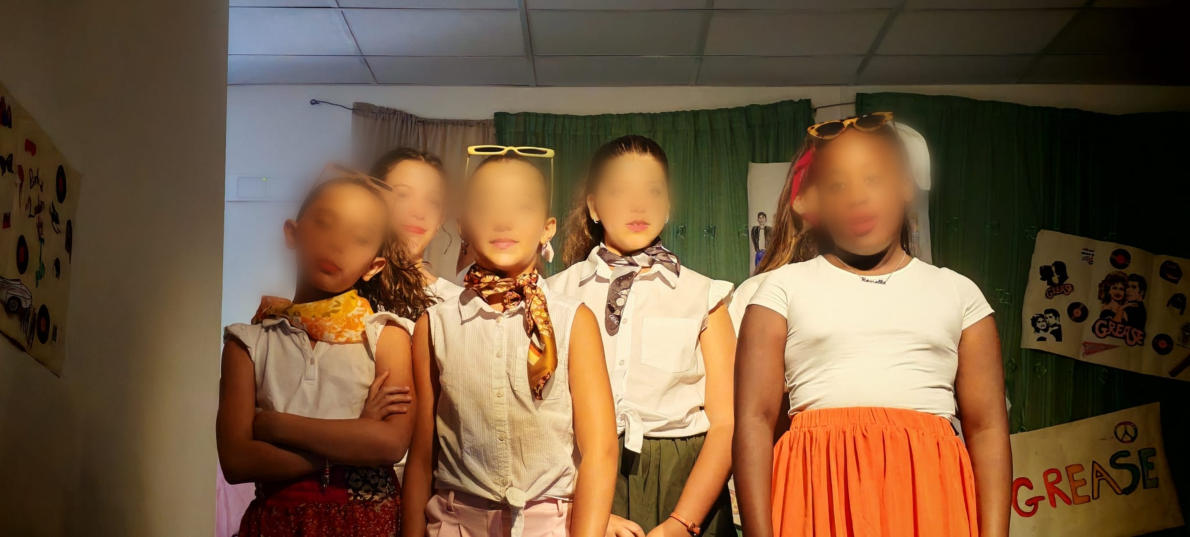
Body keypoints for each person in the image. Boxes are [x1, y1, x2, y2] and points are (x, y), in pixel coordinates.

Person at [734, 113, 1011, 537]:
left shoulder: (958, 294)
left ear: (905, 185)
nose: (857, 198)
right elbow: (754, 421)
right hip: (816, 496)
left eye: (873, 179)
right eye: (837, 186)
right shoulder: (780, 291)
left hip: (929, 500)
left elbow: (988, 429)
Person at [401, 150, 618, 537]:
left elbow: (599, 451)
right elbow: (421, 457)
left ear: (547, 228)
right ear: (463, 224)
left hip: (551, 527)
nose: (504, 220)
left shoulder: (573, 320)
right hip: (455, 524)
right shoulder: (434, 325)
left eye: (521, 206)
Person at [217, 171, 433, 537]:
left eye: (359, 237)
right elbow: (237, 461)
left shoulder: (386, 336)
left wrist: (277, 426)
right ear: (292, 232)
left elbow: (389, 444)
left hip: (367, 524)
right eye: (325, 224)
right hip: (277, 524)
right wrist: (356, 435)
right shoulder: (247, 343)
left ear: (374, 266)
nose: (337, 244)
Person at [551, 135, 737, 537]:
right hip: (584, 483)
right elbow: (540, 422)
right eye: (620, 191)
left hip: (686, 485)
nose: (638, 206)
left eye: (652, 191)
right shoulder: (556, 295)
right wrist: (588, 512)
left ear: (668, 204)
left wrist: (682, 522)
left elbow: (726, 423)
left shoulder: (704, 295)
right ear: (594, 206)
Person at [371, 148, 463, 301]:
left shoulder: (456, 303)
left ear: (441, 218)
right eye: (402, 195)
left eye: (433, 201)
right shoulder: (343, 284)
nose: (419, 212)